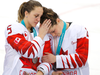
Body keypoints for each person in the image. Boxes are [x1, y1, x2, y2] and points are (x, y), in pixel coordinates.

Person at [3, 0, 53, 75]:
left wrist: (40, 72)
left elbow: (48, 61)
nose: (39, 20)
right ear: (26, 13)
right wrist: (40, 36)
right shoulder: (13, 28)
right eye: (36, 16)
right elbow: (29, 51)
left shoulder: (42, 32)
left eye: (40, 16)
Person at [41, 7, 89, 75]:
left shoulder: (79, 29)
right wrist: (52, 73)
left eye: (53, 31)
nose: (53, 35)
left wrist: (56, 59)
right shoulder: (48, 36)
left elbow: (82, 58)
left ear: (58, 20)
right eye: (50, 33)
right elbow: (47, 60)